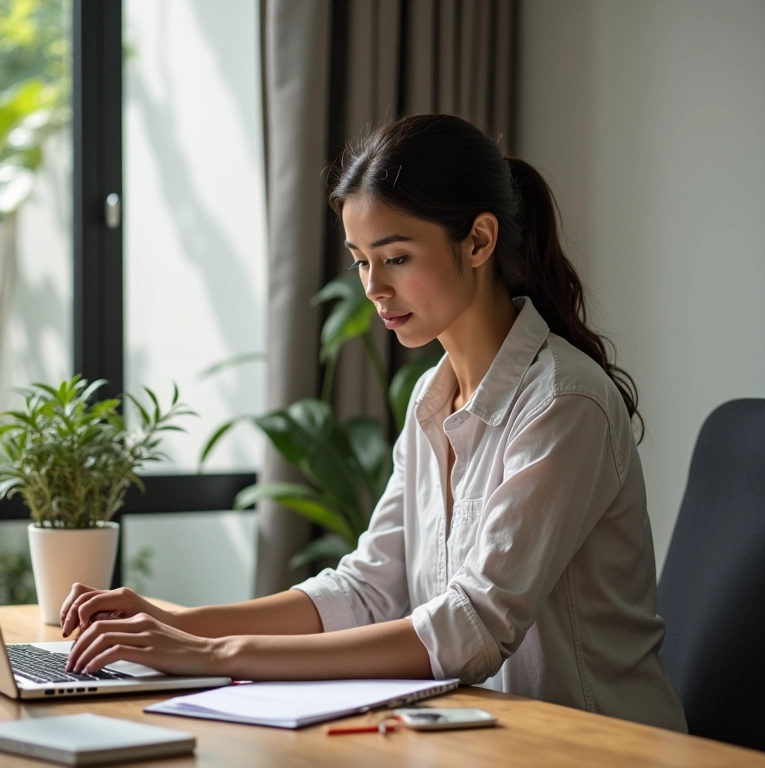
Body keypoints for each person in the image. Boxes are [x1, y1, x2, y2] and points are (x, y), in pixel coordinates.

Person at [61, 114, 687, 732]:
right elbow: (367, 589)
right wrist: (173, 624)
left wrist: (213, 656)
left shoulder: (563, 402)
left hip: (597, 745)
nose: (374, 288)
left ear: (478, 241)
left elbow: (473, 625)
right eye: (361, 261)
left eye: (396, 257)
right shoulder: (430, 399)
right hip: (486, 737)